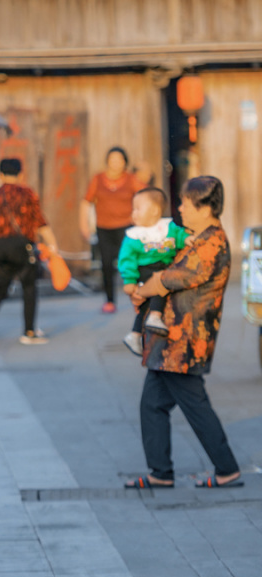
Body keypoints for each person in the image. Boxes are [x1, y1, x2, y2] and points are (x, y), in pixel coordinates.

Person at [124, 175, 241, 491]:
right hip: (170, 340)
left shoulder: (211, 243)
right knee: (153, 404)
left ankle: (227, 469)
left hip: (185, 340)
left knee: (195, 405)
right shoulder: (194, 236)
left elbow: (169, 278)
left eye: (185, 204)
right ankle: (160, 473)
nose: (180, 209)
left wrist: (141, 290)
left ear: (204, 207)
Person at [0, 158, 61, 346]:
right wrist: (53, 245)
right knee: (29, 287)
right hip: (21, 246)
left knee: (1, 286)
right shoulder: (27, 194)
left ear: (0, 175)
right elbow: (40, 222)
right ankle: (29, 331)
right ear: (21, 174)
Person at [118, 187, 188, 356]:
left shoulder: (167, 227)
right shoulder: (134, 236)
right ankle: (155, 316)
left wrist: (187, 238)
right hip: (146, 270)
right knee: (158, 288)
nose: (133, 213)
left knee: (145, 305)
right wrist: (129, 281)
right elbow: (126, 259)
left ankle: (134, 334)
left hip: (164, 266)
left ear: (155, 211)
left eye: (137, 208)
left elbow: (180, 236)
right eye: (133, 209)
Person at [80, 147, 148, 313]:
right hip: (104, 228)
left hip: (126, 227)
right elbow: (86, 202)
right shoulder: (98, 179)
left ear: (125, 162)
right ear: (107, 160)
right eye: (112, 159)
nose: (116, 163)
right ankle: (110, 300)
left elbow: (146, 197)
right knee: (106, 265)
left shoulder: (131, 179)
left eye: (119, 159)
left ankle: (139, 295)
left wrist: (141, 220)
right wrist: (84, 225)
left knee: (130, 263)